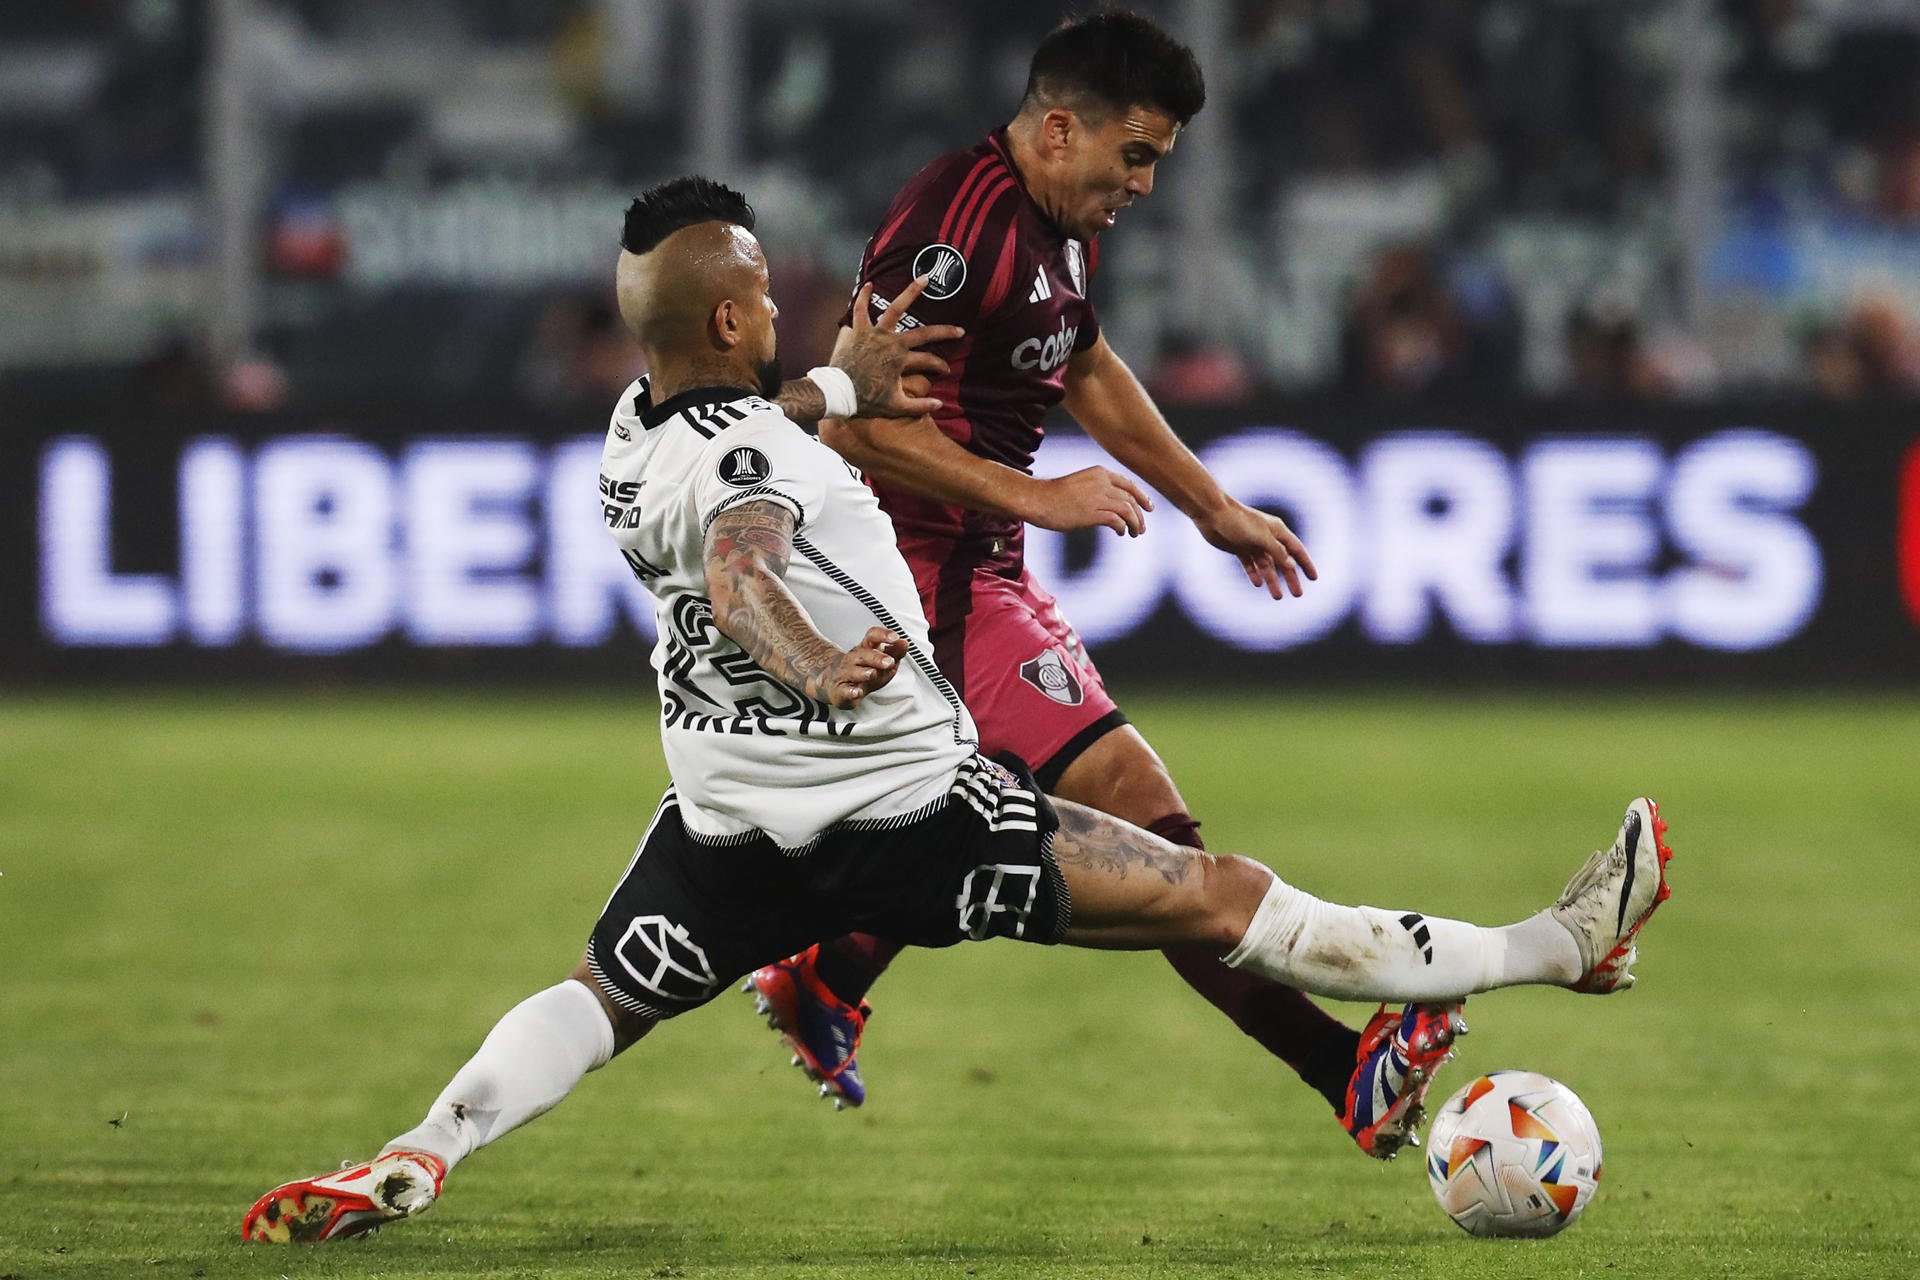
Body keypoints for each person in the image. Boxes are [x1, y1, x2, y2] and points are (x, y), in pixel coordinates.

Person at [240, 177, 1673, 1244]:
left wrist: (833, 383)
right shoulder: (758, 462)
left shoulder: (638, 432)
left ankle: (425, 1148)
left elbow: (749, 431)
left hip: (727, 831)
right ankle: (1550, 947)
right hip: (917, 815)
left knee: (600, 998)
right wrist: (814, 656)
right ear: (735, 315)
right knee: (1218, 893)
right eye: (766, 298)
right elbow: (746, 562)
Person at [744, 10, 1438, 1159]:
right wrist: (1044, 494)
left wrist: (1210, 503)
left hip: (981, 569)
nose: (1146, 184)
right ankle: (1343, 1070)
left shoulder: (1058, 223)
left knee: (1002, 833)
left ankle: (830, 969)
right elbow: (856, 426)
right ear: (1061, 129)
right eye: (1138, 155)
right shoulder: (953, 235)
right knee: (1154, 837)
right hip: (925, 580)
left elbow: (1088, 362)